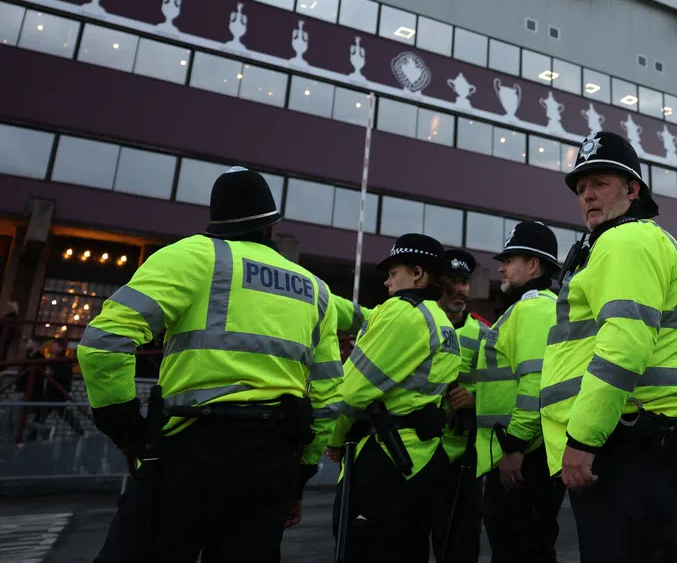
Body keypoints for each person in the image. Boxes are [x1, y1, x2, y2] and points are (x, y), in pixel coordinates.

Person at [78, 166, 343, 562]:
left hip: (190, 453)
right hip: (273, 461)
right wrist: (299, 477)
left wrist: (129, 432)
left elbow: (102, 343)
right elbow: (328, 397)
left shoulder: (193, 257)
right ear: (271, 227)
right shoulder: (315, 289)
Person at [540, 130, 677, 563]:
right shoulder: (629, 242)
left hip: (625, 450)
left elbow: (623, 348)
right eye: (581, 188)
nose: (588, 195)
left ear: (632, 189)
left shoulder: (625, 240)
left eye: (600, 184)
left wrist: (582, 438)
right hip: (641, 446)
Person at [327, 233, 461, 563]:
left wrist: (331, 440)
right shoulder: (441, 321)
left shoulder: (400, 313)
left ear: (417, 273)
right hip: (423, 460)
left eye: (392, 273)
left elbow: (353, 392)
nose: (386, 282)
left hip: (384, 460)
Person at [477, 221, 565, 563]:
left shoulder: (532, 309)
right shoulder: (537, 307)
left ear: (533, 265)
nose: (501, 265)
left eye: (510, 258)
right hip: (527, 453)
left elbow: (535, 383)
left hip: (524, 458)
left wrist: (514, 447)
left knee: (520, 548)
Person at [433, 248, 490, 563]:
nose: (461, 290)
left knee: (460, 542)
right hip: (418, 451)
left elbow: (500, 385)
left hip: (462, 458)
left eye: (465, 282)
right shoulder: (421, 324)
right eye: (454, 281)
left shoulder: (484, 333)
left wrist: (475, 398)